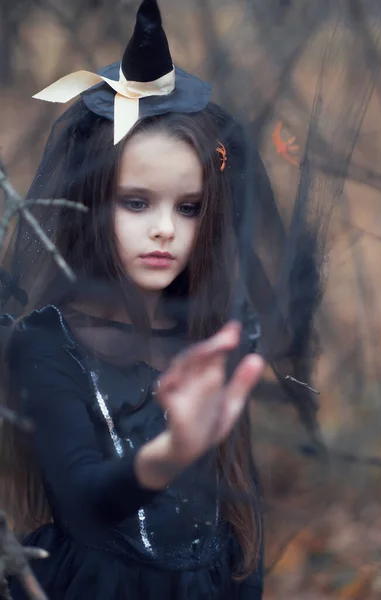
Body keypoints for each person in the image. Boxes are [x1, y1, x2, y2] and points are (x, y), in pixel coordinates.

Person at [0, 1, 326, 599]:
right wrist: (170, 452)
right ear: (95, 205)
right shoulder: (48, 344)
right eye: (136, 202)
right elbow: (85, 496)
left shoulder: (208, 333)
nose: (164, 230)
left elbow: (236, 523)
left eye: (188, 206)